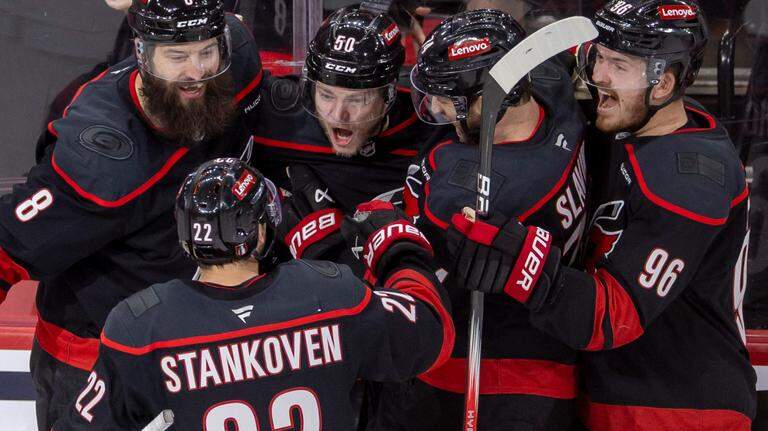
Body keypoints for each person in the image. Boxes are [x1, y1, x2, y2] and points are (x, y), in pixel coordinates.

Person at [447, 0, 756, 429]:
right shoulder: (636, 127)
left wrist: (522, 261)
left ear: (663, 84)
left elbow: (614, 316)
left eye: (619, 65)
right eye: (598, 57)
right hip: (620, 394)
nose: (597, 77)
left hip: (679, 408)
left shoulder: (691, 180)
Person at [0, 0, 264, 428]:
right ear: (142, 53)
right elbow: (7, 246)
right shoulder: (101, 162)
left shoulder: (238, 60)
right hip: (96, 358)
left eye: (206, 51)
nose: (196, 71)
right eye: (177, 56)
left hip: (201, 343)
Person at [52, 158, 454, 430]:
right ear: (261, 230)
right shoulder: (331, 295)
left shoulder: (140, 327)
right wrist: (398, 251)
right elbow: (430, 335)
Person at [371, 9, 588, 430]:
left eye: (446, 96)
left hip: (483, 382)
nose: (435, 107)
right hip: (552, 368)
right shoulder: (551, 91)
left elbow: (411, 272)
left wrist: (379, 225)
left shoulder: (467, 191)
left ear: (491, 100)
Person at [249, 6, 449, 274]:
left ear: (387, 95)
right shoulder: (276, 117)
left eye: (357, 100)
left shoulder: (430, 132)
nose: (338, 115)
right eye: (327, 95)